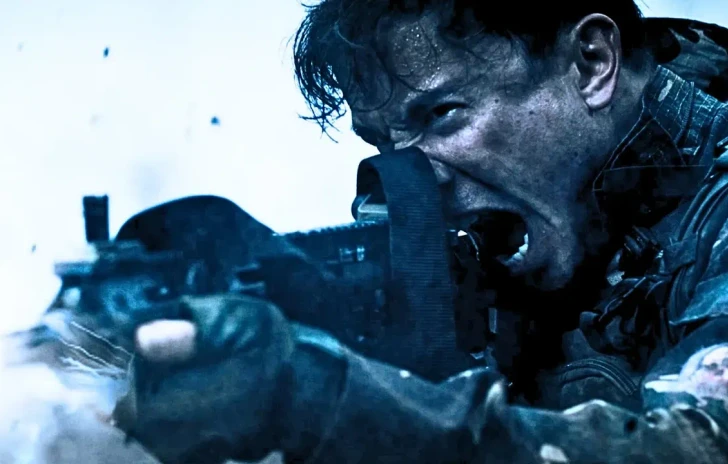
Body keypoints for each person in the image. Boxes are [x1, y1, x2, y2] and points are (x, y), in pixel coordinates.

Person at [115, 2, 728, 463]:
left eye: (441, 115)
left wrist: (326, 400)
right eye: (384, 143)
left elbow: (693, 446)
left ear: (591, 63)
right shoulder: (519, 225)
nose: (414, 182)